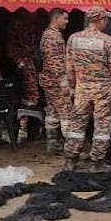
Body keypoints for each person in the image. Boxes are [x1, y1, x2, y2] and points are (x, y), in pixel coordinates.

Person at [63, 6, 111, 172]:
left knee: (76, 126)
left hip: (82, 90)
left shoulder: (73, 39)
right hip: (103, 92)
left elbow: (69, 67)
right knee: (102, 127)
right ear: (101, 20)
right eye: (105, 20)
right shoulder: (107, 41)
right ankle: (96, 162)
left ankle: (70, 160)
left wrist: (72, 86)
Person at [39, 9, 71, 155]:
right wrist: (64, 83)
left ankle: (52, 144)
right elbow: (55, 62)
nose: (67, 21)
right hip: (55, 82)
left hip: (49, 81)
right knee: (66, 111)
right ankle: (71, 148)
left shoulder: (50, 34)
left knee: (52, 111)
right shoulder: (53, 37)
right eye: (65, 18)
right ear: (56, 18)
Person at [6, 11, 41, 141]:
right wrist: (20, 62)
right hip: (22, 68)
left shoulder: (34, 26)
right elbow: (12, 47)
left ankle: (31, 132)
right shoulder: (18, 24)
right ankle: (24, 130)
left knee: (31, 100)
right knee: (29, 100)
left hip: (30, 66)